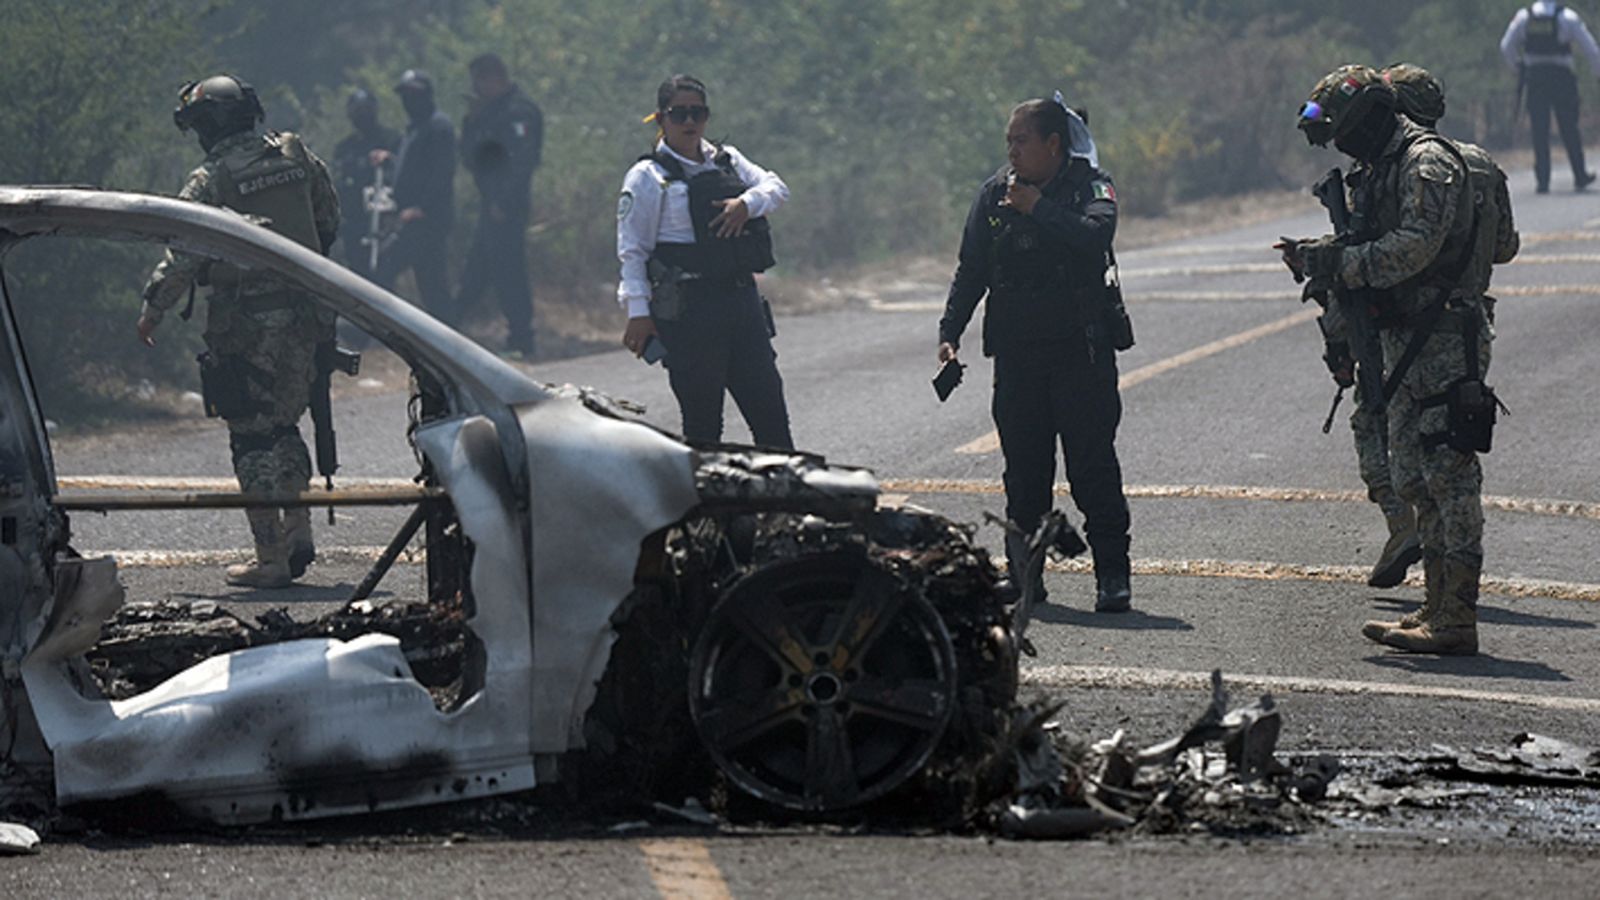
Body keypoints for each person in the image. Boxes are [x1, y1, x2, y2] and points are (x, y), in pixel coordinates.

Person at [1292, 65, 1518, 655]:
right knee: (1416, 480)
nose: (1340, 143)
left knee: (1450, 476)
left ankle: (1456, 617)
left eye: (1343, 129)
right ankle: (1437, 606)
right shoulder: (1385, 167)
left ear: (1368, 117)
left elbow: (1415, 247)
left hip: (1443, 336)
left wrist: (1342, 263)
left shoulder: (1428, 163)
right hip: (1403, 337)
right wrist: (1327, 256)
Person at [137, 74, 340, 588]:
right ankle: (298, 532)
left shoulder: (210, 179)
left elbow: (183, 255)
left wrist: (153, 307)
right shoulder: (296, 156)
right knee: (286, 422)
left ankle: (270, 559)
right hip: (308, 312)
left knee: (250, 435)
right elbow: (329, 220)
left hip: (246, 324)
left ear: (206, 126)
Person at [936, 96, 1132, 613]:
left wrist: (1037, 208)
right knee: (1024, 475)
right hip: (1019, 360)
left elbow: (1095, 237)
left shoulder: (1090, 186)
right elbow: (971, 269)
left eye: (1022, 141)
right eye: (1009, 142)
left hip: (1080, 356)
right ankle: (1025, 577)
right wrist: (949, 331)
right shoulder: (993, 196)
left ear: (1052, 144)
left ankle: (1113, 575)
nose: (1013, 151)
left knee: (1092, 469)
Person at [615, 74, 794, 449]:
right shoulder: (648, 176)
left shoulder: (726, 159)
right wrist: (638, 312)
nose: (689, 122)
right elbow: (633, 250)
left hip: (742, 305)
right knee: (703, 429)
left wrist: (746, 204)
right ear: (661, 119)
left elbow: (776, 188)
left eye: (697, 113)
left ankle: (786, 505)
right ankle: (709, 507)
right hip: (689, 313)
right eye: (678, 114)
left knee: (771, 421)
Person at [456, 53, 543, 357]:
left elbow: (522, 162)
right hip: (489, 203)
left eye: (479, 81)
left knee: (509, 271)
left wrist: (502, 201)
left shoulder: (519, 112)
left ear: (493, 77)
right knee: (477, 270)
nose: (476, 88)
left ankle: (522, 338)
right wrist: (472, 120)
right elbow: (471, 158)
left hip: (508, 205)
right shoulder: (488, 113)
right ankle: (450, 326)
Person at [373, 69, 455, 319]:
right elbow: (411, 169)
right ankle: (445, 336)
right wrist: (390, 161)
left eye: (414, 95)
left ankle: (381, 326)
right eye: (405, 95)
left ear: (427, 95)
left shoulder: (438, 126)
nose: (409, 101)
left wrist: (422, 207)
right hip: (410, 215)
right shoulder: (413, 129)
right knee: (431, 283)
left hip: (426, 218)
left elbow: (442, 172)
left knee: (386, 268)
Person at [1500, 2, 1600, 192]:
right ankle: (1580, 174)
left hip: (1536, 79)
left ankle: (1543, 180)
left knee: (1539, 130)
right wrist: (1597, 73)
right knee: (1569, 127)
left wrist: (1518, 68)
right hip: (1562, 78)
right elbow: (1591, 48)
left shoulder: (1524, 17)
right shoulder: (1568, 17)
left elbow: (1506, 46)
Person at [331, 88, 399, 281]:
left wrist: (390, 159)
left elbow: (405, 171)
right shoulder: (345, 147)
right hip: (353, 221)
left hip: (383, 221)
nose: (362, 115)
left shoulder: (391, 139)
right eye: (357, 110)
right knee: (357, 274)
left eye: (366, 109)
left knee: (383, 274)